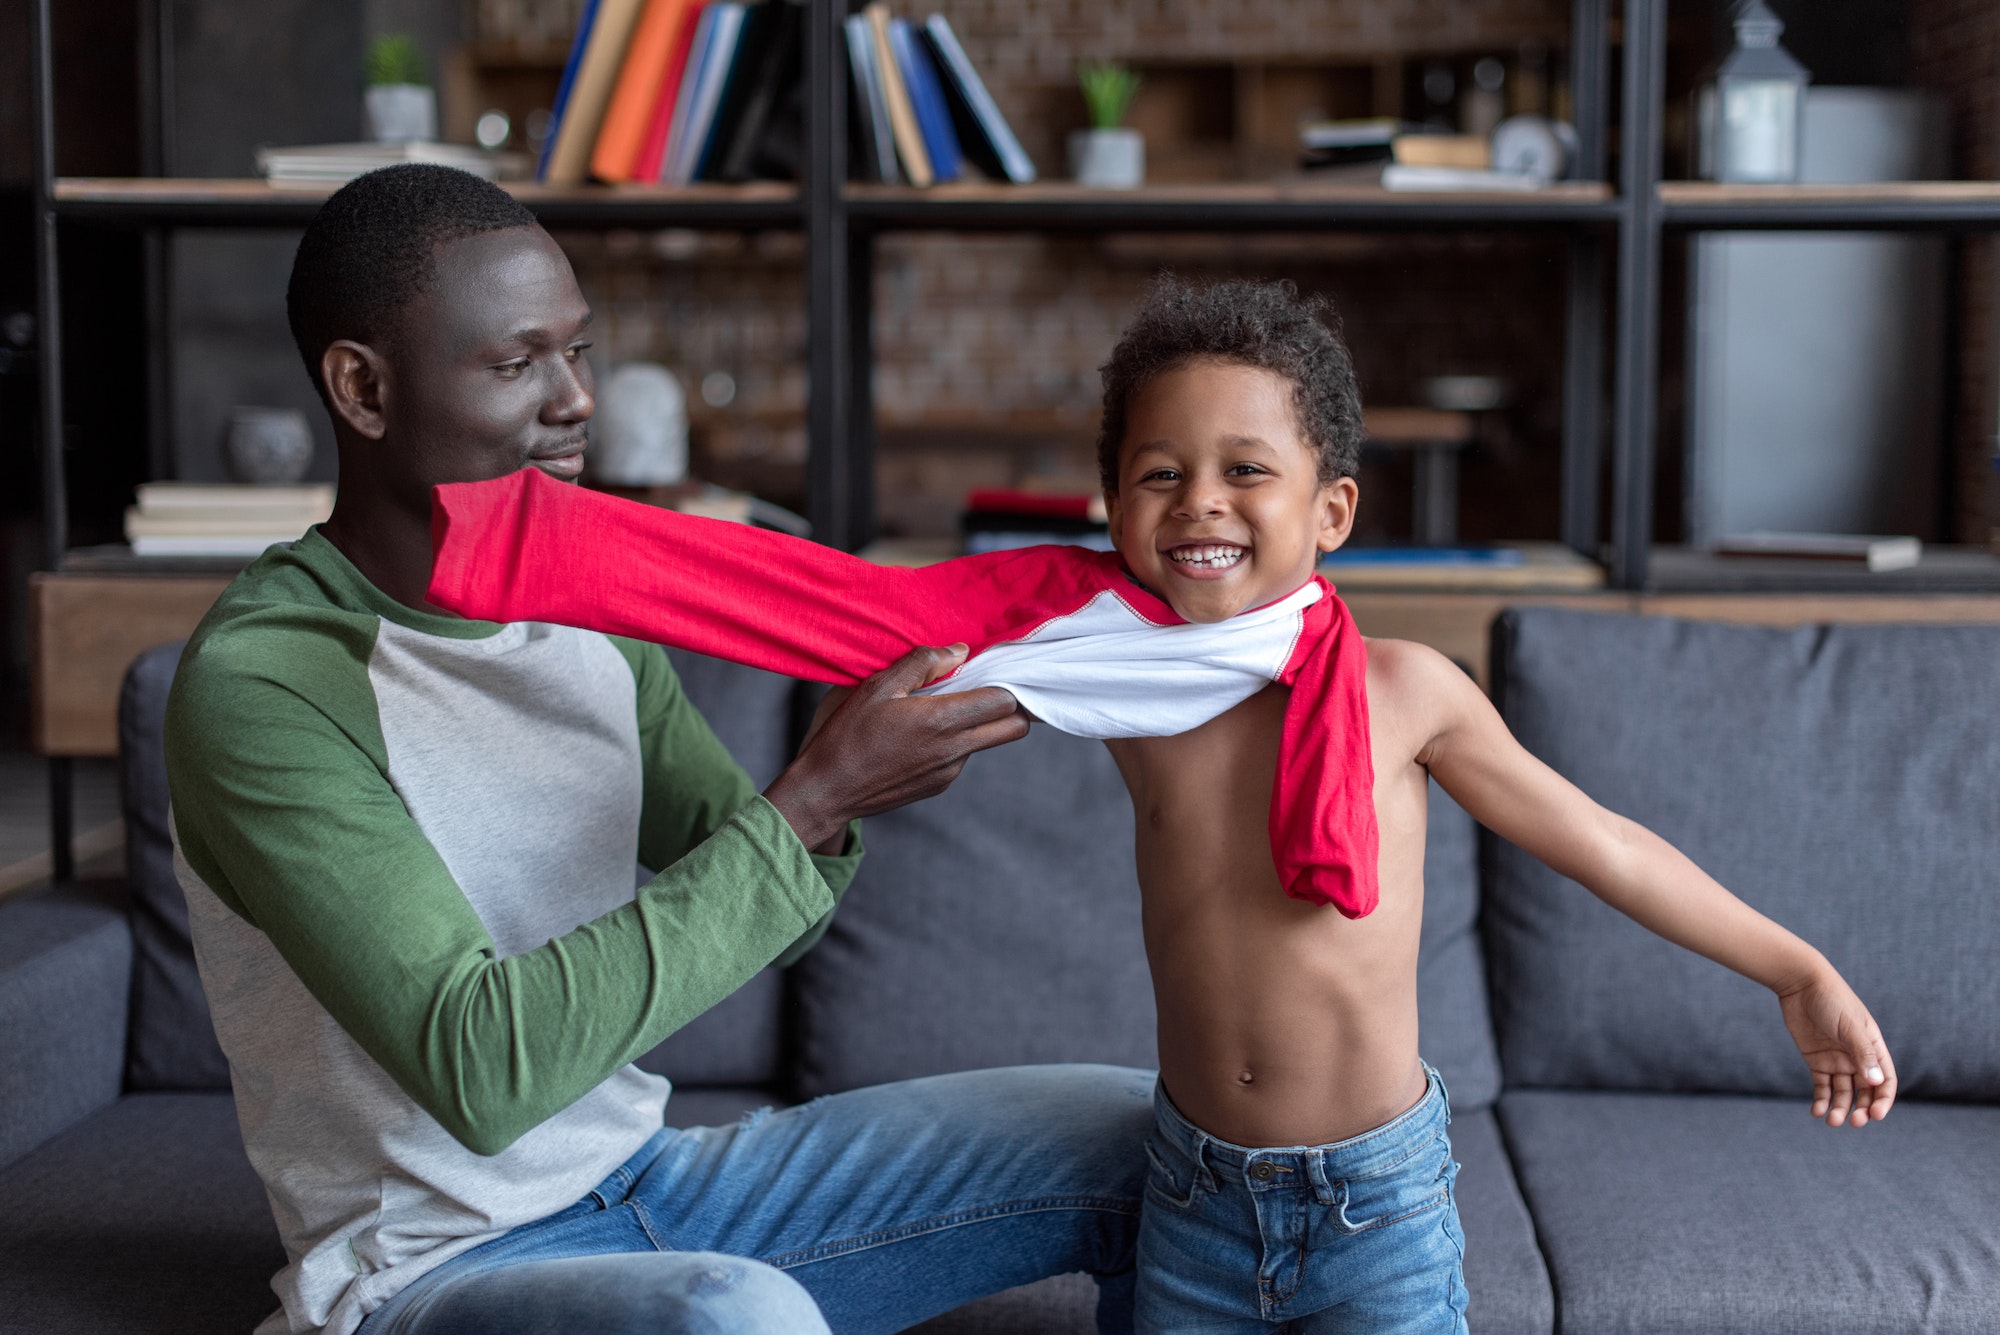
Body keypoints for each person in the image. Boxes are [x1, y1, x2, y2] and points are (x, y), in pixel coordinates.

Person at [427, 276, 1899, 1334]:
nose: (1201, 500)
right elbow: (854, 616)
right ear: (1112, 509)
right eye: (1159, 472)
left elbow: (1610, 845)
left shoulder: (1404, 689)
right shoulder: (1111, 667)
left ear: (1331, 509)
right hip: (1189, 1194)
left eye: (1247, 470)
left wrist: (1801, 966)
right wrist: (546, 551)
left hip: (1381, 1204)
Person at [164, 163, 1158, 1335]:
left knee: (1151, 1134)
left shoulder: (584, 602)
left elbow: (773, 894)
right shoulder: (269, 683)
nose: (575, 398)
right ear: (363, 390)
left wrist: (879, 739)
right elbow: (482, 1070)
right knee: (733, 1316)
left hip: (648, 1184)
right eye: (516, 361)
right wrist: (813, 796)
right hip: (432, 1272)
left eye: (576, 352)